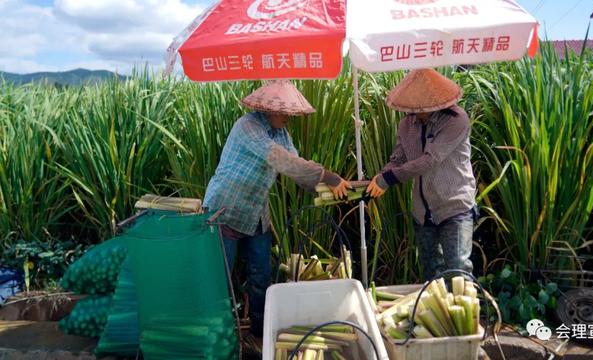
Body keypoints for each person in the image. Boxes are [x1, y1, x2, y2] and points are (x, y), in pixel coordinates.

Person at [202, 80, 350, 344]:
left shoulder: (280, 132)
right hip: (225, 209)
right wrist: (328, 176)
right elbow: (280, 160)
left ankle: (260, 335)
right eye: (284, 112)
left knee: (262, 275)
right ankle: (219, 339)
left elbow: (295, 163)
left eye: (290, 113)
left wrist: (325, 188)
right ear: (269, 109)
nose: (288, 118)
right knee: (220, 278)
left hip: (257, 213)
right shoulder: (248, 126)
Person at [366, 69, 477, 280]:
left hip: (454, 206)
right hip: (422, 212)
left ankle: (466, 312)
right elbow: (398, 158)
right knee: (430, 272)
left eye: (420, 104)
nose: (415, 109)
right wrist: (378, 178)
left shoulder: (456, 120)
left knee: (458, 269)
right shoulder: (407, 123)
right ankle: (435, 312)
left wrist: (388, 179)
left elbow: (430, 159)